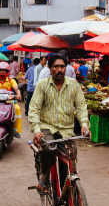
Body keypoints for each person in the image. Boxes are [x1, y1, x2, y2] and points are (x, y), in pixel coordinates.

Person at [29, 54, 90, 194]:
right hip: (47, 127)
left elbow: (81, 107)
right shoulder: (42, 85)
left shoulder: (74, 85)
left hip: (67, 130)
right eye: (56, 66)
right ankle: (44, 174)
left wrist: (84, 125)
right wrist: (37, 130)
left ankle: (69, 204)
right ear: (50, 69)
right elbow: (34, 109)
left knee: (69, 163)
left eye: (62, 66)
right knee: (49, 147)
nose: (59, 69)